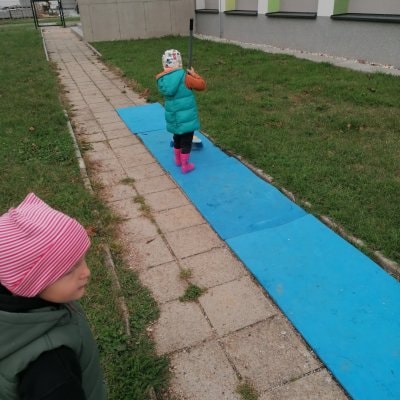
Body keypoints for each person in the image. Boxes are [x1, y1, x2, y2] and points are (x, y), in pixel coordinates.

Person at [0, 193, 107, 400]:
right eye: (69, 270)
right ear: (31, 284)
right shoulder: (51, 371)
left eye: (82, 259)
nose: (86, 272)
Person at [156, 49, 206, 174]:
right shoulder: (185, 77)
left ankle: (177, 160)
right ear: (179, 62)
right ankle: (185, 165)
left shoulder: (162, 79)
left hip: (173, 117)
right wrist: (194, 75)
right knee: (186, 140)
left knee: (177, 137)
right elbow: (201, 85)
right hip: (186, 117)